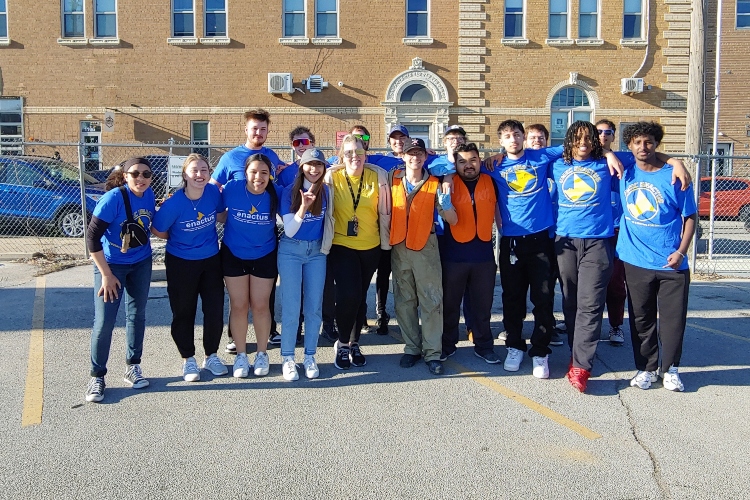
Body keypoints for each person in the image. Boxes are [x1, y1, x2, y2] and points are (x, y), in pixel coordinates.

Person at [551, 121, 689, 392]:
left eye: (589, 138)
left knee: (590, 304)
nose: (583, 143)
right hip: (565, 242)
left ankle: (581, 365)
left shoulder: (610, 163)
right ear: (569, 141)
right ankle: (574, 350)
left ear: (597, 142)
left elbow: (647, 153)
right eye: (577, 138)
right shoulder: (556, 162)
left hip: (599, 242)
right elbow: (528, 155)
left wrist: (677, 162)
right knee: (571, 301)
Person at [482, 120, 565, 378]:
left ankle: (540, 352)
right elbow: (453, 166)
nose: (513, 139)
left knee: (543, 297)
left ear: (524, 137)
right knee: (512, 297)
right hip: (511, 242)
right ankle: (514, 346)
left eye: (517, 134)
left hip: (541, 239)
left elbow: (574, 148)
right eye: (507, 136)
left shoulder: (540, 157)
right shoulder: (494, 165)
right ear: (501, 141)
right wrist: (489, 157)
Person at [617, 122, 696, 391]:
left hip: (671, 262)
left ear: (656, 144)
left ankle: (671, 369)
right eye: (637, 142)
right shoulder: (624, 171)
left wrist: (681, 252)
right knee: (641, 319)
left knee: (673, 320)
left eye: (648, 142)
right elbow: (600, 152)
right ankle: (646, 368)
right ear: (629, 146)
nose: (643, 147)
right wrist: (676, 159)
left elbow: (690, 217)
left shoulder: (674, 177)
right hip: (635, 260)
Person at [209, 109, 284, 354]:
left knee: (263, 298)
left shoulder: (271, 156)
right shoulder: (230, 158)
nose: (258, 133)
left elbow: (282, 187)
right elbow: (213, 188)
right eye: (254, 128)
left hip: (265, 240)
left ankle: (269, 332)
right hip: (236, 240)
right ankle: (235, 338)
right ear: (246, 130)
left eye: (263, 129)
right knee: (238, 300)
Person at [151, 154, 228, 382]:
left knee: (214, 310)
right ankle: (188, 359)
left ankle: (211, 355)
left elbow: (221, 213)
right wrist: (179, 240)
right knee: (184, 311)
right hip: (181, 262)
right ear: (184, 175)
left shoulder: (213, 193)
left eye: (204, 170)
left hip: (211, 259)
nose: (200, 175)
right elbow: (157, 230)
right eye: (194, 170)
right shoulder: (174, 204)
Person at [84, 157, 156, 403]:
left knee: (137, 315)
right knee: (105, 320)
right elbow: (92, 238)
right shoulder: (113, 198)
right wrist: (106, 274)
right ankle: (97, 376)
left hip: (141, 261)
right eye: (135, 173)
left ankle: (133, 366)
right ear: (125, 175)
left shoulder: (148, 193)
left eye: (146, 174)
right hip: (112, 264)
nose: (141, 179)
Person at [389, 137, 457, 375]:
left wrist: (446, 204)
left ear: (425, 157)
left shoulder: (435, 184)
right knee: (404, 300)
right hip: (399, 249)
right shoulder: (393, 179)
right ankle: (411, 348)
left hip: (426, 247)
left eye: (419, 153)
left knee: (431, 301)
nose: (414, 158)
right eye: (410, 153)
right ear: (403, 156)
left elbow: (453, 220)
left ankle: (432, 353)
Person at [323, 135, 391, 370]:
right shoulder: (332, 176)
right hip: (341, 245)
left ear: (366, 154)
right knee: (348, 294)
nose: (355, 157)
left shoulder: (378, 176)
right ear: (342, 155)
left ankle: (354, 343)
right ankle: (342, 343)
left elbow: (385, 211)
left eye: (359, 153)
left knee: (360, 296)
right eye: (349, 152)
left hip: (370, 246)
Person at [439, 143, 500, 364]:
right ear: (455, 164)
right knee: (450, 304)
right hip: (454, 254)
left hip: (483, 253)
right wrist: (446, 177)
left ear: (479, 161)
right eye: (462, 161)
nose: (468, 165)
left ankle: (484, 345)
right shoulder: (447, 183)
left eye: (473, 160)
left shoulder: (490, 180)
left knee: (482, 305)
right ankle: (447, 344)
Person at [221, 153, 280, 378]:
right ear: (245, 173)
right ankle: (241, 355)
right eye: (254, 172)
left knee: (261, 305)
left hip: (264, 254)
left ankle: (262, 353)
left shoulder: (276, 193)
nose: (258, 177)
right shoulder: (232, 189)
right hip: (233, 254)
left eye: (264, 173)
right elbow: (214, 211)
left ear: (270, 175)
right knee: (238, 305)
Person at [278, 148, 334, 380]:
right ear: (301, 166)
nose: (314, 169)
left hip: (317, 252)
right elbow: (290, 230)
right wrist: (303, 206)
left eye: (319, 165)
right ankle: (288, 358)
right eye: (310, 164)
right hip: (291, 251)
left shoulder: (327, 191)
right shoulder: (289, 192)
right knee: (292, 307)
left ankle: (310, 356)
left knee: (313, 307)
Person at [596, 119, 627, 346]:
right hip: (592, 231)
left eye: (608, 132)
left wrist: (675, 161)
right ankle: (585, 325)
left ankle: (616, 326)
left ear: (614, 136)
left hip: (616, 230)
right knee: (588, 284)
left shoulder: (624, 159)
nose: (603, 135)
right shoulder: (583, 160)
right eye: (599, 132)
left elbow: (655, 159)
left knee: (615, 283)